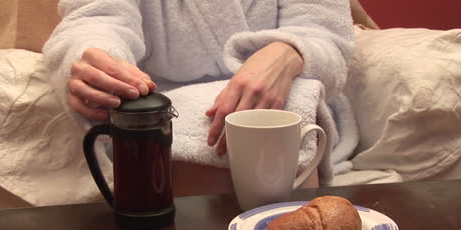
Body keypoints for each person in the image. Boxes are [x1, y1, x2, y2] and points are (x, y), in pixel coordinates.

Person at [43, 0, 354, 156]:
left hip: (282, 99)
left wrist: (289, 53)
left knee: (292, 108)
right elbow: (95, 19)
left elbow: (326, 34)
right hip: (157, 108)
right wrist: (99, 62)